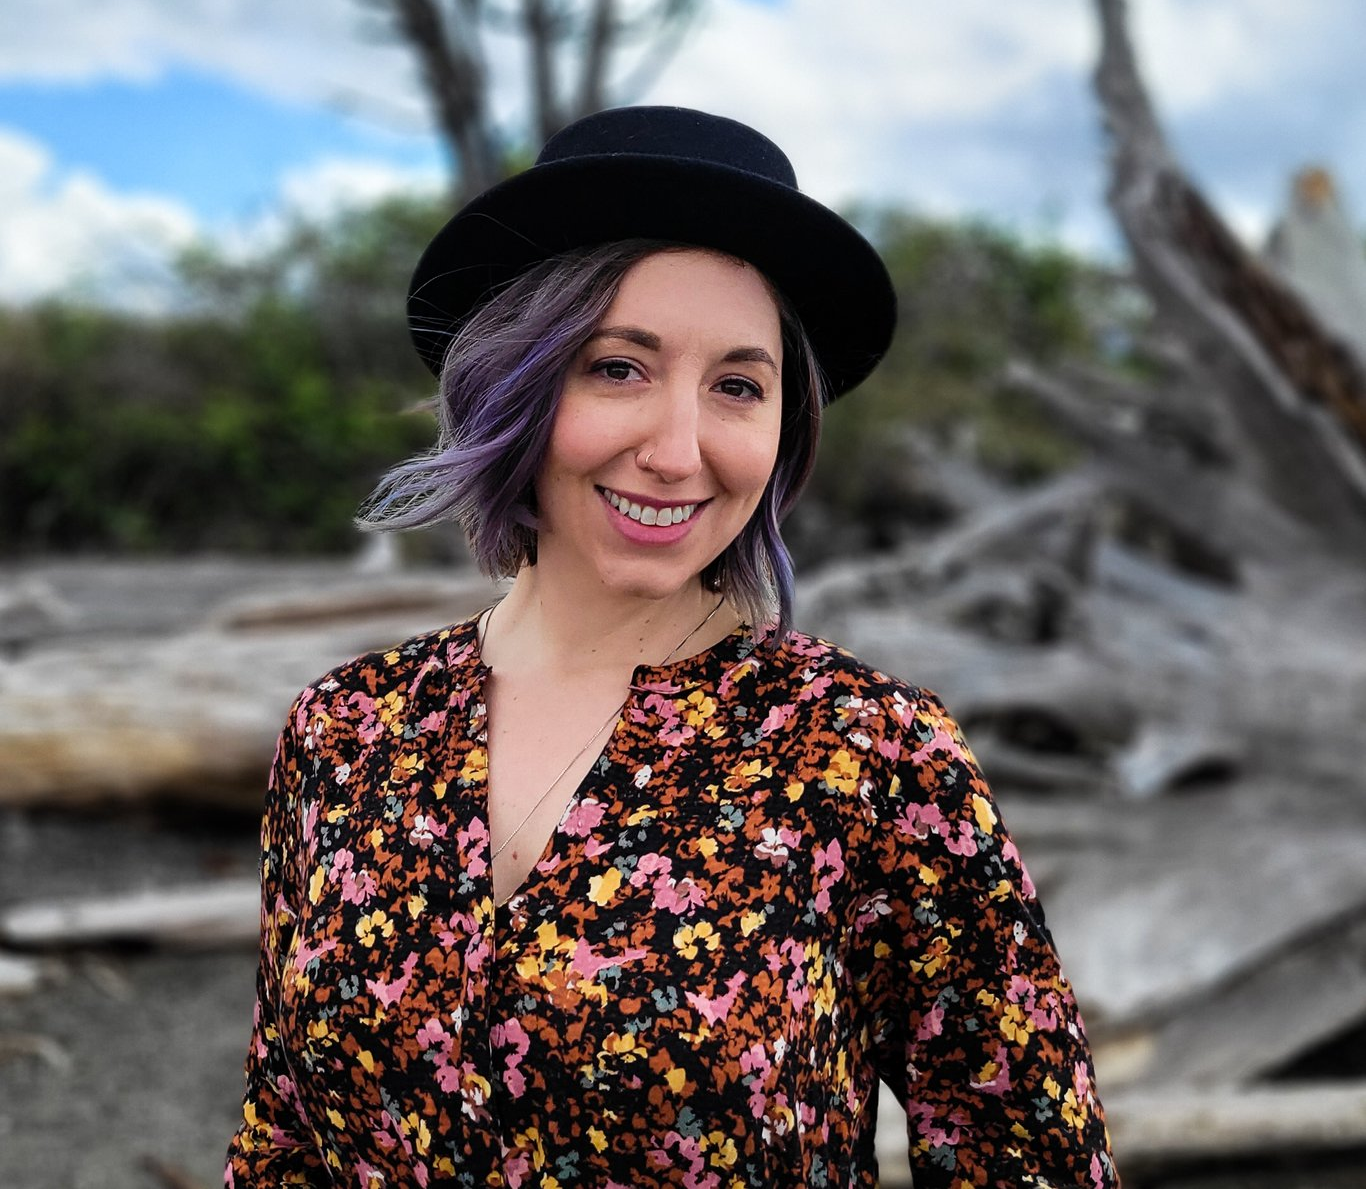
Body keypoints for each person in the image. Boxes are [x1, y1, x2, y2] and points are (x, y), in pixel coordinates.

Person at [225, 106, 1118, 1188]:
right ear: (515, 382)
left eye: (738, 386)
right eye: (618, 367)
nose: (678, 449)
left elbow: (1025, 1157)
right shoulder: (345, 729)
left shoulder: (867, 755)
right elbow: (281, 1128)